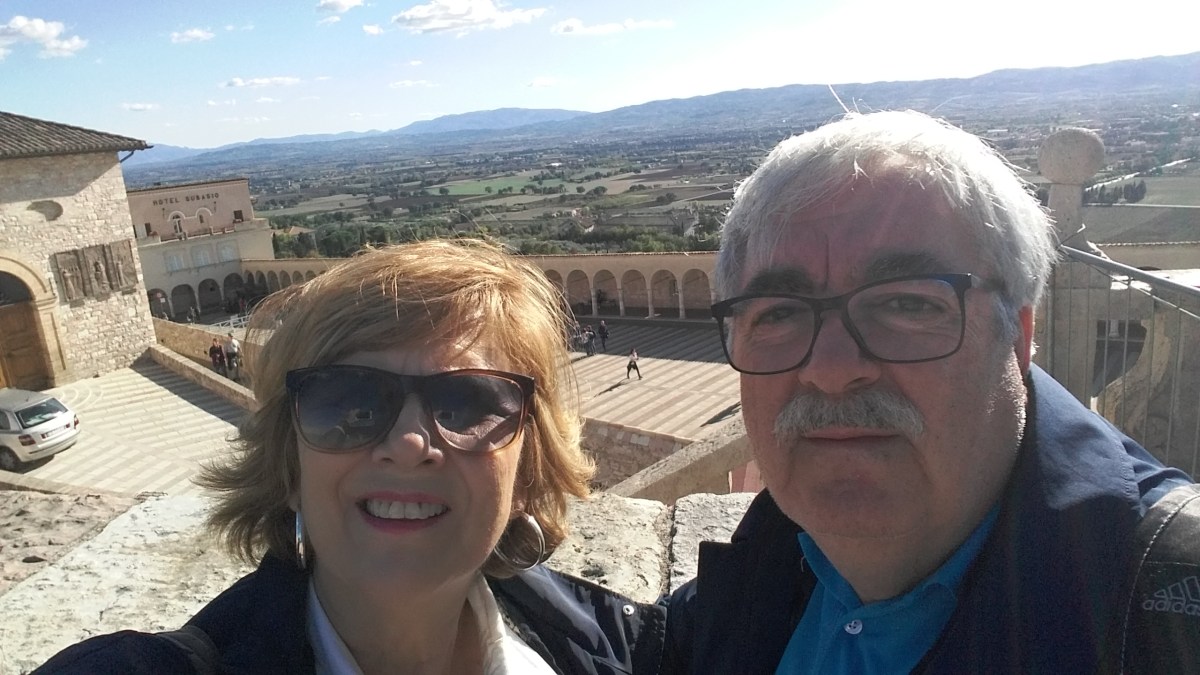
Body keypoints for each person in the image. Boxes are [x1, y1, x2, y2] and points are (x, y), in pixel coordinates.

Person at [661, 111, 1197, 674]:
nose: (831, 370)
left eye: (908, 303)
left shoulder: (1167, 621)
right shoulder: (768, 563)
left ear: (1017, 336)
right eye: (778, 313)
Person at [37, 240, 665, 674]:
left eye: (468, 402)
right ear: (288, 466)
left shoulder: (632, 651)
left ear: (528, 467)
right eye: (350, 403)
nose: (409, 444)